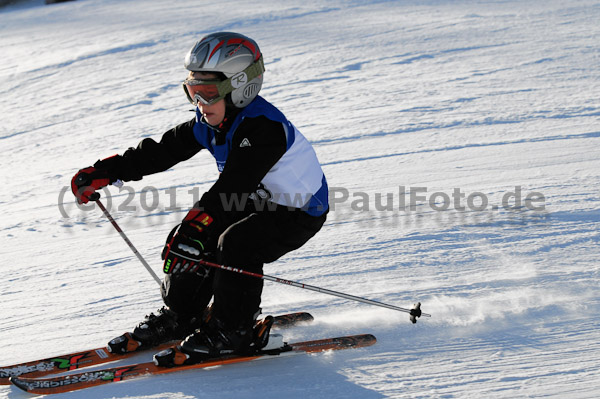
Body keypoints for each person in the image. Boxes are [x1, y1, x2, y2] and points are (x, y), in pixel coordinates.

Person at [70, 32, 329, 360]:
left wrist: (197, 225)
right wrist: (106, 171)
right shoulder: (209, 121)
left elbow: (232, 186)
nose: (200, 104)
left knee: (237, 244)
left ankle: (233, 331)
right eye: (193, 92)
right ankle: (183, 316)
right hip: (255, 200)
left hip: (298, 211)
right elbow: (162, 151)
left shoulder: (264, 129)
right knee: (192, 241)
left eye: (208, 93)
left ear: (240, 88)